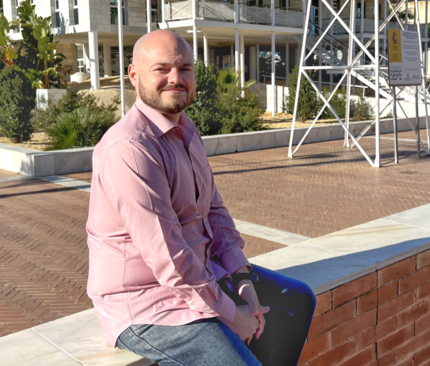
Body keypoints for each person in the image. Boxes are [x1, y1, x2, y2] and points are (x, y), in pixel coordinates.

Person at [86, 30, 315, 366]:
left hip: (200, 274)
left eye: (185, 69)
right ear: (134, 75)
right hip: (147, 303)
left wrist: (243, 279)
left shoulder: (185, 130)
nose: (175, 79)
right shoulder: (130, 150)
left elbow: (215, 212)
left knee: (297, 300)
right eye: (161, 69)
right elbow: (168, 256)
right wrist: (231, 314)